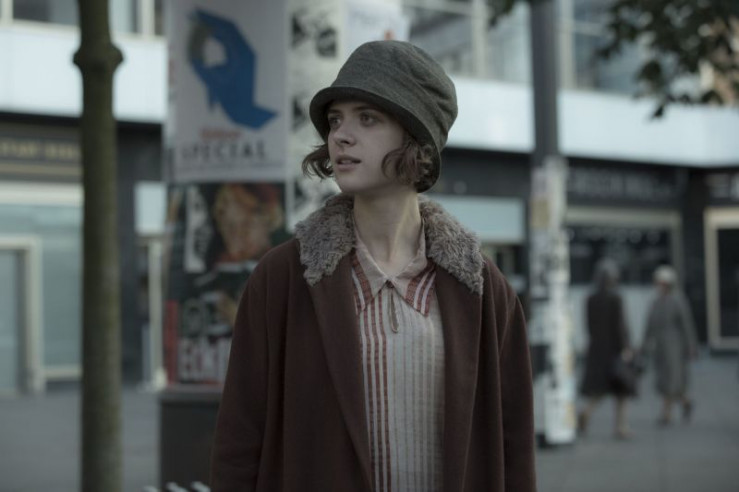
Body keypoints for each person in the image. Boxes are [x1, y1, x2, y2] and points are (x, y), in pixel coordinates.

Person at [210, 40, 536, 492]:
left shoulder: (482, 289)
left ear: (416, 139)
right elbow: (239, 442)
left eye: (367, 118)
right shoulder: (283, 278)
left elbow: (513, 449)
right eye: (336, 120)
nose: (341, 136)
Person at [577, 259, 634, 439]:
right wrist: (626, 347)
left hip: (596, 351)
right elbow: (620, 326)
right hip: (614, 351)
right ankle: (621, 427)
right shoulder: (616, 298)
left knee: (599, 390)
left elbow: (588, 326)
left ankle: (586, 412)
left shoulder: (590, 299)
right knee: (621, 390)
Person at [642, 265, 698, 425]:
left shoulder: (678, 300)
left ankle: (666, 414)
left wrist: (691, 346)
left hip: (675, 347)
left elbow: (687, 325)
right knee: (666, 380)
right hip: (660, 347)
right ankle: (686, 403)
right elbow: (650, 325)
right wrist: (644, 344)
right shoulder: (656, 301)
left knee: (672, 379)